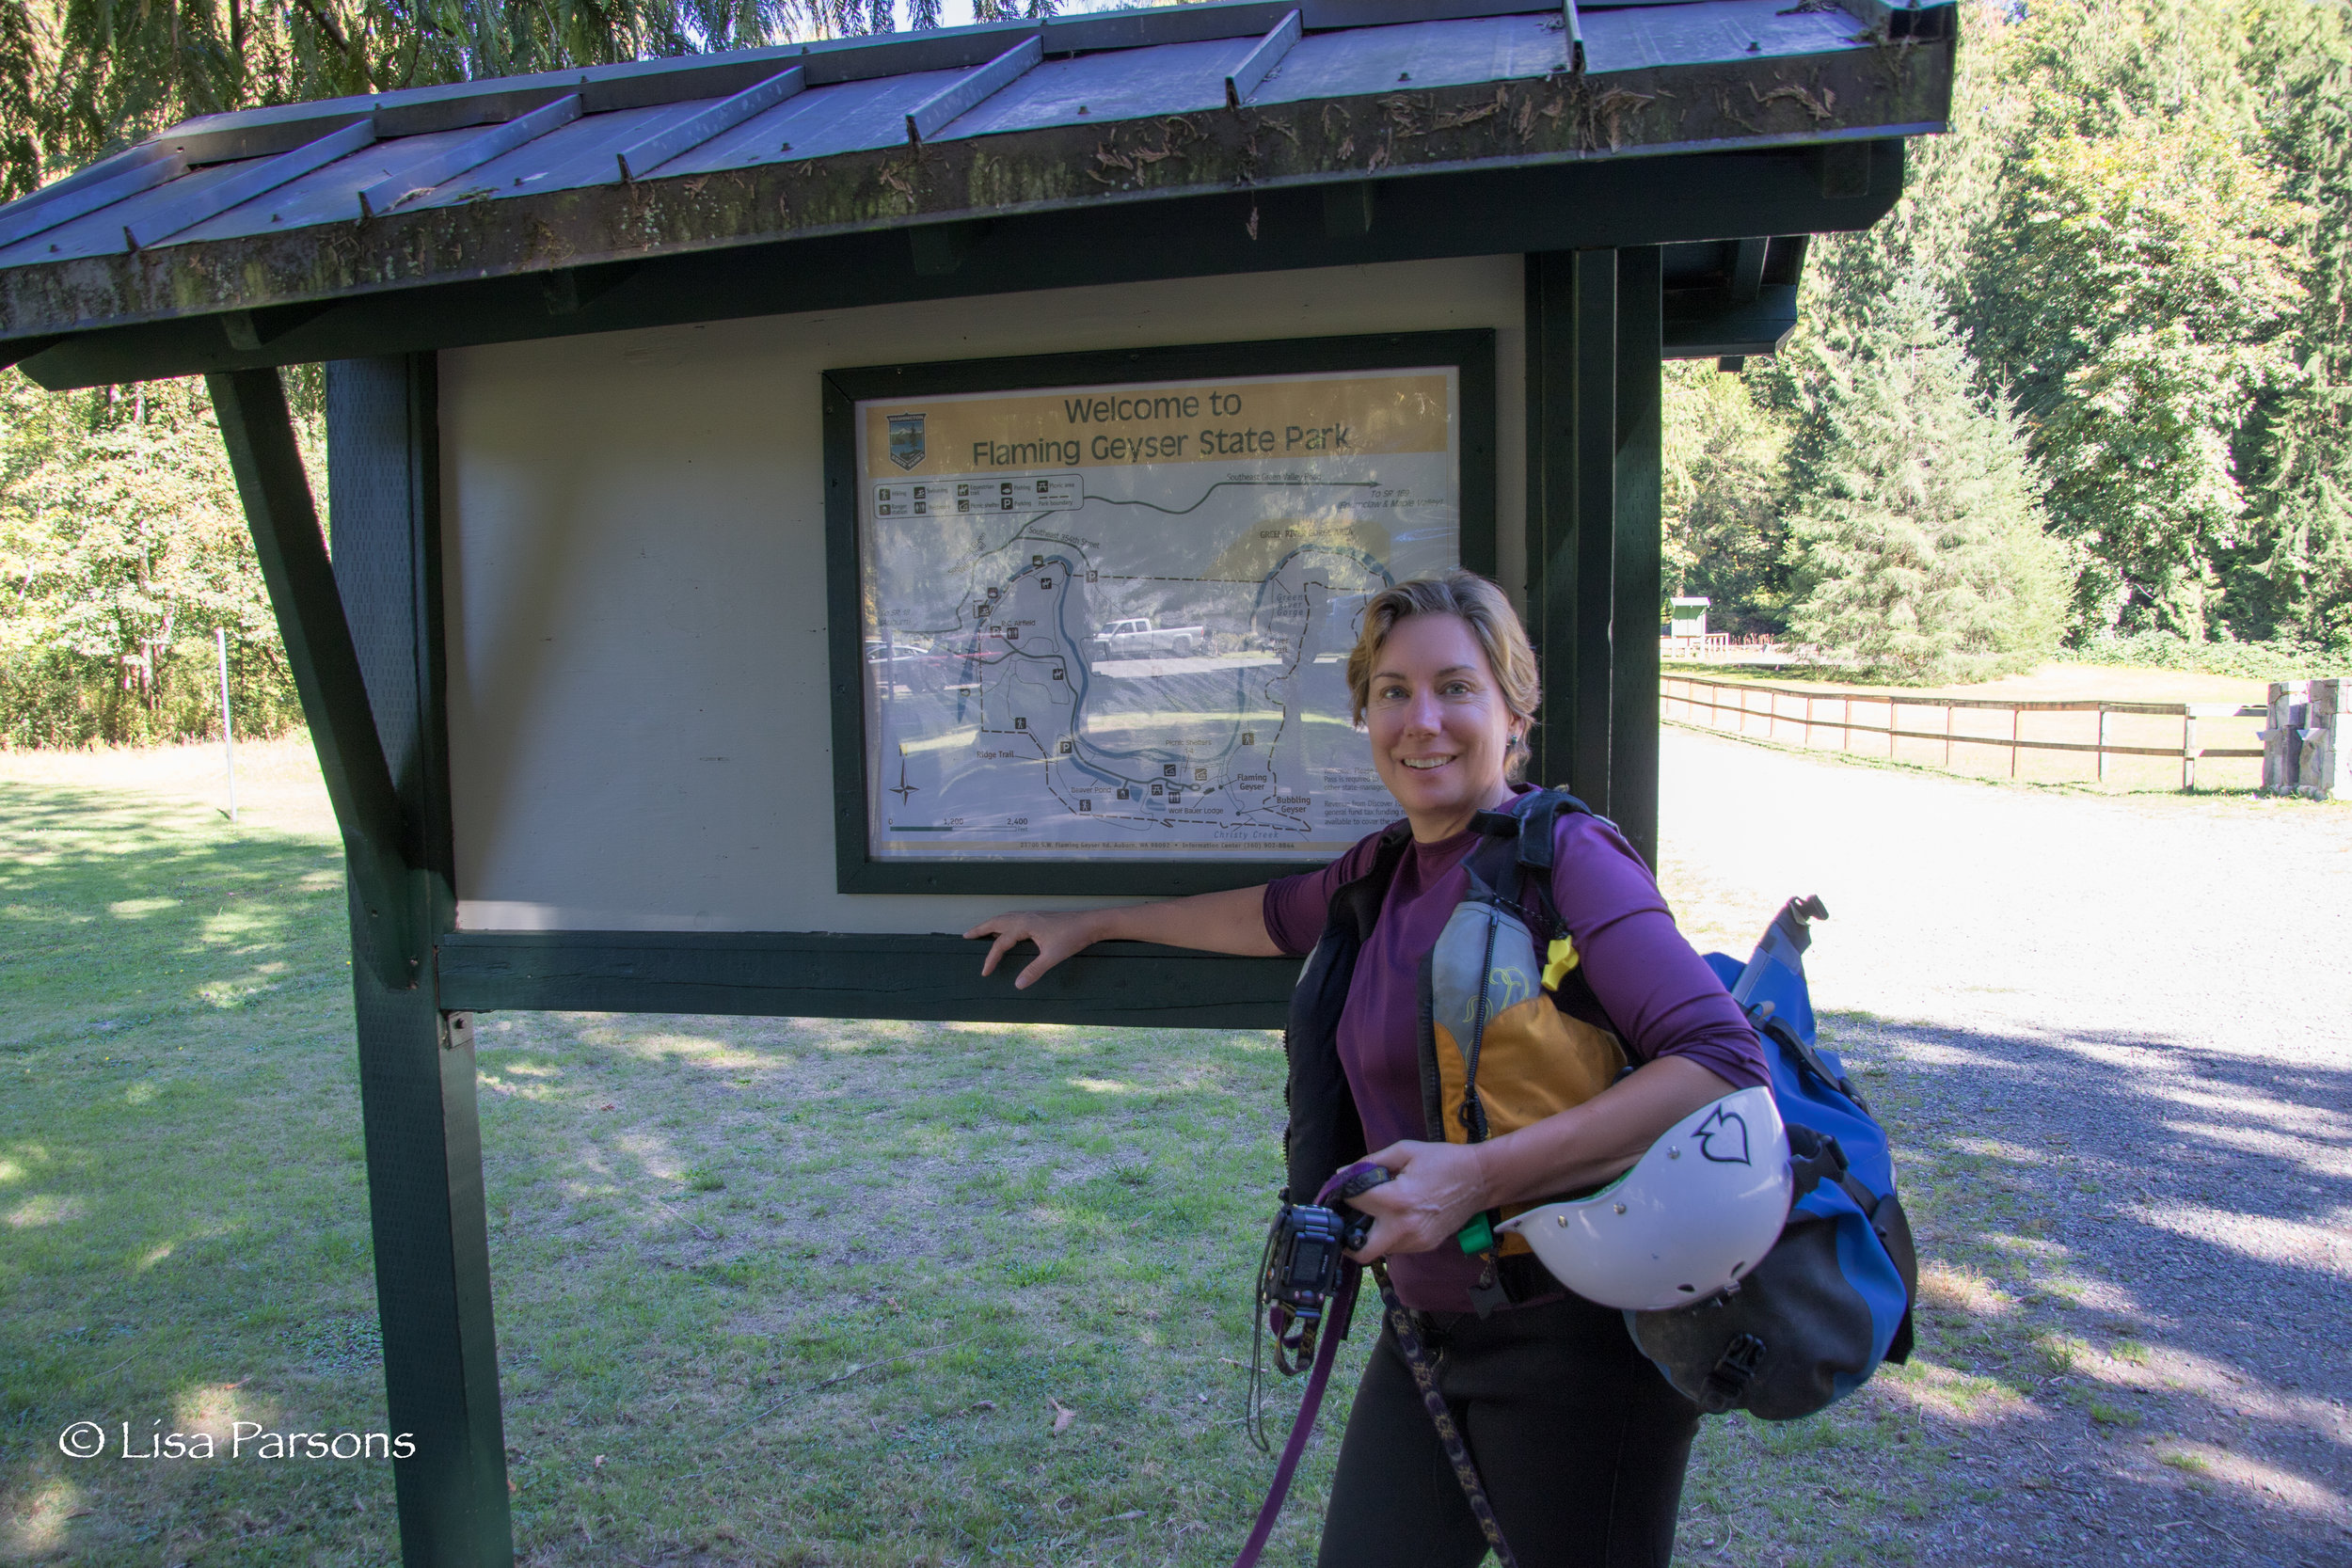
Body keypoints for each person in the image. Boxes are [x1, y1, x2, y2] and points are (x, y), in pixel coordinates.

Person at [966, 571, 1769, 1568]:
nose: (1419, 720)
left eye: (1454, 687)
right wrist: (1093, 920)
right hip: (1427, 1329)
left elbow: (1722, 1063)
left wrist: (1477, 1176)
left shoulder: (1567, 858)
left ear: (1512, 712)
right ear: (1363, 712)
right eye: (1391, 690)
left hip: (1576, 1341)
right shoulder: (1381, 871)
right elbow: (1265, 913)